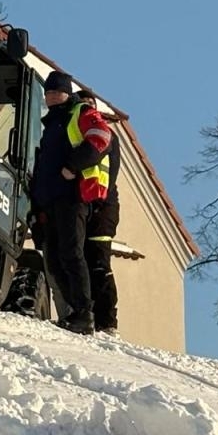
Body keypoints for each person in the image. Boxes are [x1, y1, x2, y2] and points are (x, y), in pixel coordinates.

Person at [31, 70, 113, 335]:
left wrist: (72, 166)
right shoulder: (52, 123)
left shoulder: (79, 113)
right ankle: (73, 312)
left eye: (57, 92)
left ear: (68, 93)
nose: (52, 96)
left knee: (71, 254)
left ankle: (83, 314)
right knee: (55, 259)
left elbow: (102, 137)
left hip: (73, 197)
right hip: (51, 201)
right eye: (49, 93)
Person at [76, 89, 121, 335]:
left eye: (88, 104)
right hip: (87, 204)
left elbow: (110, 174)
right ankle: (91, 315)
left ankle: (107, 320)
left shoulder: (106, 134)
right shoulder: (76, 132)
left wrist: (100, 201)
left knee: (99, 264)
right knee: (82, 260)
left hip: (103, 208)